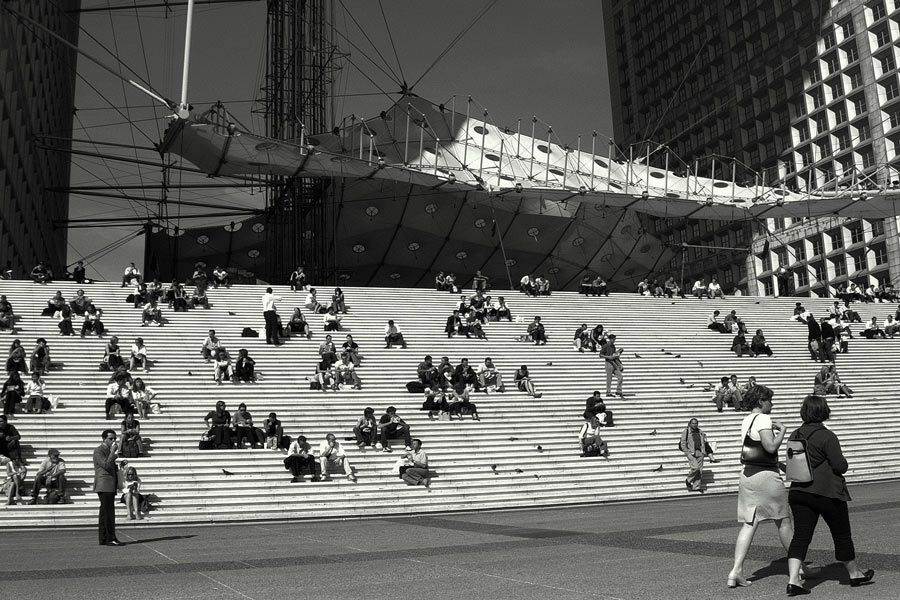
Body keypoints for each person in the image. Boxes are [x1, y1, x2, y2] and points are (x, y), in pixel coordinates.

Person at [785, 395, 874, 594]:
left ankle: (794, 581)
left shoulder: (795, 434)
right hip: (827, 492)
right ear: (823, 412)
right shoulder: (827, 436)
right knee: (841, 534)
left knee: (800, 537)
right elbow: (839, 466)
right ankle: (854, 574)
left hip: (799, 491)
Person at [726, 386, 795, 588]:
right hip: (766, 477)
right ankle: (798, 567)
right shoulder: (764, 419)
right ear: (760, 401)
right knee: (783, 521)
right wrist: (782, 431)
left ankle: (735, 571)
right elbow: (770, 447)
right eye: (769, 400)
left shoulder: (747, 419)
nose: (771, 404)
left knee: (750, 523)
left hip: (748, 475)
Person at [93, 429, 122, 546]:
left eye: (115, 438)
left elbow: (110, 466)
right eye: (111, 439)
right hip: (104, 484)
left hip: (109, 484)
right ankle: (110, 538)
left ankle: (104, 537)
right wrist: (113, 453)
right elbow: (105, 464)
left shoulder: (107, 450)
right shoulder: (99, 451)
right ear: (104, 439)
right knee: (109, 513)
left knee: (105, 513)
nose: (114, 441)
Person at [679, 418, 716, 492]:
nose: (695, 425)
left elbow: (704, 442)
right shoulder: (686, 432)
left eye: (696, 423)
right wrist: (687, 452)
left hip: (700, 452)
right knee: (695, 468)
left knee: (699, 471)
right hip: (691, 452)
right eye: (693, 423)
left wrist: (705, 452)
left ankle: (696, 487)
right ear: (690, 424)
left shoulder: (700, 432)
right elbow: (682, 443)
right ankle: (688, 480)